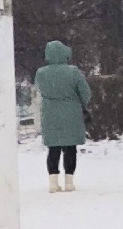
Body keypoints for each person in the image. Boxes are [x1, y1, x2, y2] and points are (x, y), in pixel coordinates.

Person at [35, 39, 91, 192]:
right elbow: (86, 93)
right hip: (71, 113)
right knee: (70, 148)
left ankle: (53, 182)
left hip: (50, 115)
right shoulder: (73, 72)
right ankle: (69, 181)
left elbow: (38, 90)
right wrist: (80, 103)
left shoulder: (41, 73)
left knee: (53, 149)